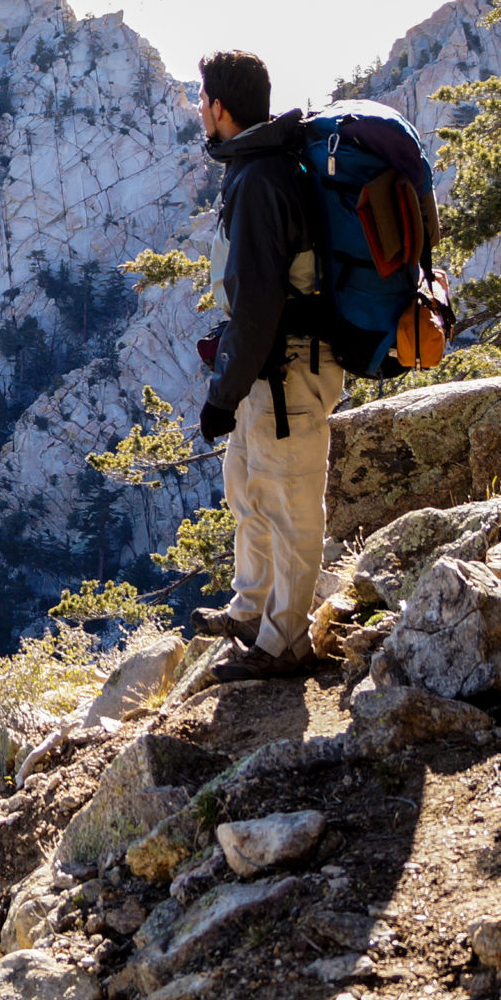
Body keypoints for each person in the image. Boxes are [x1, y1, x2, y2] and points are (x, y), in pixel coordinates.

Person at [191, 50, 343, 682]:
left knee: (289, 502)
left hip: (291, 371)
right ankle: (251, 609)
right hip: (267, 368)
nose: (198, 109)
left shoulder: (260, 181)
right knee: (249, 490)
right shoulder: (257, 168)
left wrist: (221, 395)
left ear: (220, 108)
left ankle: (285, 644)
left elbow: (256, 302)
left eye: (202, 99)